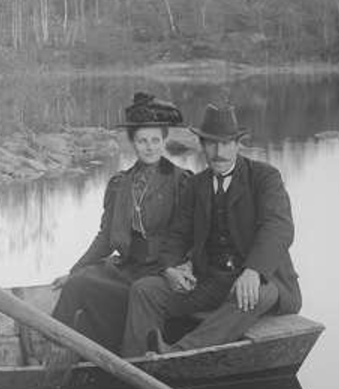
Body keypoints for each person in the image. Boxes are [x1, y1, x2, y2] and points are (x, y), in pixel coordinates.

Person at [120, 103, 301, 358]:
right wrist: (170, 268)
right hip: (211, 281)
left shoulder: (265, 177)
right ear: (202, 145)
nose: (219, 152)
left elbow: (278, 228)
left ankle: (175, 355)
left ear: (237, 145)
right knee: (144, 290)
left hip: (264, 281)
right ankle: (134, 363)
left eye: (226, 144)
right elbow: (178, 236)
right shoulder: (195, 185)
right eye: (212, 144)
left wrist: (254, 270)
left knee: (254, 294)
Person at [50, 92, 192, 352]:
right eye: (142, 141)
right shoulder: (119, 183)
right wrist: (75, 270)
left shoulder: (181, 182)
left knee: (138, 291)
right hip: (126, 269)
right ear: (132, 143)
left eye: (155, 140)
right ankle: (53, 347)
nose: (149, 147)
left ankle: (122, 352)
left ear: (164, 141)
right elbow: (106, 237)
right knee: (77, 283)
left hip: (160, 274)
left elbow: (186, 238)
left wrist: (175, 269)